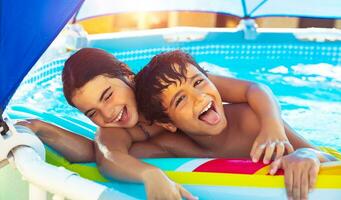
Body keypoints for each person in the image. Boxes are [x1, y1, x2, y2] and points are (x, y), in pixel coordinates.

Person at [19, 47, 294, 200]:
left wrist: (273, 127)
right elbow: (105, 156)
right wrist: (150, 175)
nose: (108, 113)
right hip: (188, 152)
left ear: (127, 74)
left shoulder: (170, 84)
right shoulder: (115, 129)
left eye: (108, 95)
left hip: (223, 137)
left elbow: (253, 90)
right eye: (93, 113)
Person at [133, 50, 338, 200]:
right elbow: (114, 155)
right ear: (167, 123)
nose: (199, 97)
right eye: (180, 99)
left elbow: (325, 157)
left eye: (198, 82)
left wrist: (305, 155)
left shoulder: (252, 121)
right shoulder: (171, 145)